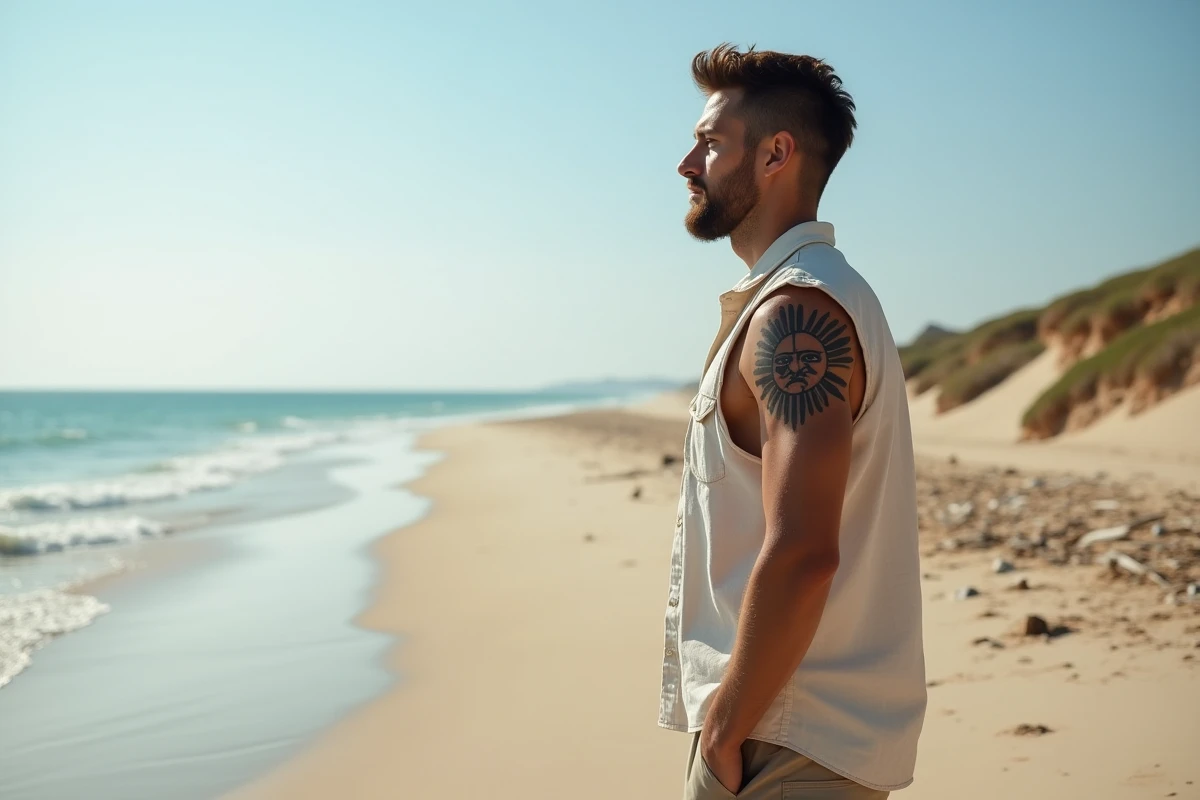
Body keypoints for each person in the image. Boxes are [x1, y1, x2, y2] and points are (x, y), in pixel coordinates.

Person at [658, 45, 927, 799]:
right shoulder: (816, 297)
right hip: (798, 738)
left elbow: (805, 549)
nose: (687, 162)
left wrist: (723, 731)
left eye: (711, 143)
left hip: (784, 744)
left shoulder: (798, 312)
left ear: (777, 153)